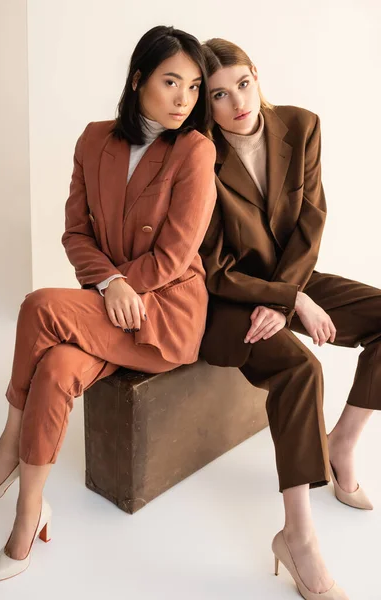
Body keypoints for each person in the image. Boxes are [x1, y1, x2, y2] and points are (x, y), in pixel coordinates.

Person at [0, 25, 216, 582]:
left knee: (40, 305)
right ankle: (31, 510)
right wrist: (109, 283)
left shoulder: (196, 151)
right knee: (58, 367)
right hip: (111, 301)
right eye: (170, 81)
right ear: (138, 80)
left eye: (194, 87)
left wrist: (123, 286)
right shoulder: (94, 140)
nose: (184, 99)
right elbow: (74, 235)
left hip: (166, 312)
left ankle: (9, 443)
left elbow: (177, 252)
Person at [199, 37, 380, 600]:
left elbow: (311, 221)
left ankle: (343, 443)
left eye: (243, 85)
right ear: (206, 104)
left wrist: (289, 295)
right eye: (219, 96)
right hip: (225, 303)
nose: (237, 104)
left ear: (257, 74)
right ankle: (297, 537)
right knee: (302, 370)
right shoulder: (198, 155)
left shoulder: (301, 126)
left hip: (289, 279)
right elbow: (212, 268)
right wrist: (286, 301)